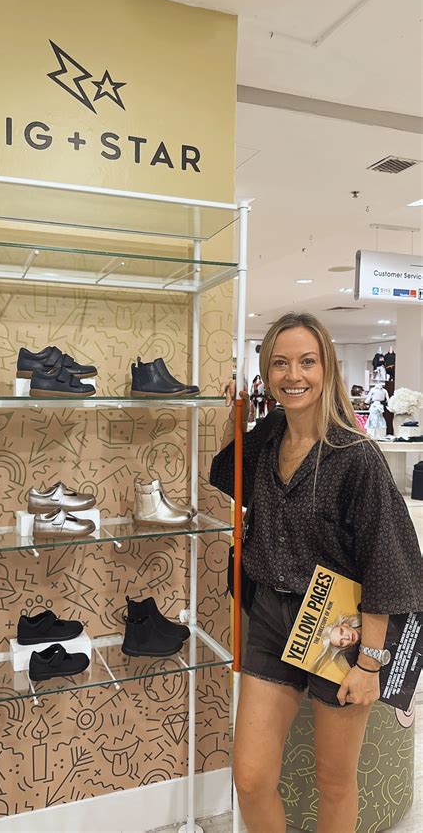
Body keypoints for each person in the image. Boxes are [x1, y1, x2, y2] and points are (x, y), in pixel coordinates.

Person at [210, 312, 423, 833]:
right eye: (280, 364)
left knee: (334, 779)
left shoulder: (356, 455)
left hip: (341, 626)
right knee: (251, 778)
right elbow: (225, 474)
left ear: (326, 367)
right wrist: (233, 413)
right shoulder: (270, 437)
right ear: (266, 372)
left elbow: (387, 563)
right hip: (271, 616)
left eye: (307, 362)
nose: (293, 375)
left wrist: (370, 665)